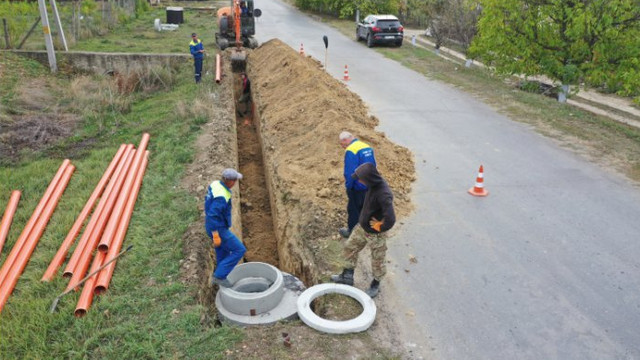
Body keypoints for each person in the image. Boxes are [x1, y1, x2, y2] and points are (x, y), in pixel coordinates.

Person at [331, 163, 395, 298]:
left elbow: (391, 218)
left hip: (375, 235)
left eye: (360, 179)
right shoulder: (372, 185)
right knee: (350, 247)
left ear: (369, 178)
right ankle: (347, 276)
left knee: (377, 260)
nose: (359, 181)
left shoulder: (384, 194)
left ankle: (376, 284)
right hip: (362, 227)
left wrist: (380, 226)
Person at [204, 168, 247, 287]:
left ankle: (220, 276)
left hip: (211, 226)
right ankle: (219, 276)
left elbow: (207, 202)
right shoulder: (221, 197)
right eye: (235, 180)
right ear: (229, 181)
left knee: (223, 251)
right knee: (239, 250)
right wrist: (216, 234)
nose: (235, 183)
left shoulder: (215, 184)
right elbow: (213, 215)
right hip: (218, 228)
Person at [338, 131, 376, 238]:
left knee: (353, 209)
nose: (342, 146)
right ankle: (368, 230)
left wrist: (349, 186)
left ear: (345, 140)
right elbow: (373, 165)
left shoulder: (351, 150)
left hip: (358, 186)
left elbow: (350, 172)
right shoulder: (366, 146)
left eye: (342, 143)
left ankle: (352, 232)